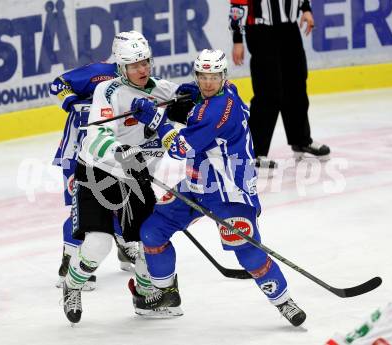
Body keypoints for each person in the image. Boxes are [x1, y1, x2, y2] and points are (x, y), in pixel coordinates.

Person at [128, 49, 307, 327]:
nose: (208, 83)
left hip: (230, 191)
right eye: (202, 77)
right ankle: (166, 292)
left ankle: (284, 301)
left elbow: (179, 148)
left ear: (223, 76)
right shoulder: (226, 90)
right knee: (152, 231)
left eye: (213, 77)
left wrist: (156, 120)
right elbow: (198, 104)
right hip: (198, 182)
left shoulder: (216, 111)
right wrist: (190, 93)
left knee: (246, 251)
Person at [61, 31, 188, 323]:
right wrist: (123, 153)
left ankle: (145, 297)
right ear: (120, 67)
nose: (142, 70)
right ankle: (72, 283)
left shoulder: (160, 90)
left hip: (135, 179)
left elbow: (192, 102)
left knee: (146, 241)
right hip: (98, 174)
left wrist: (208, 89)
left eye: (145, 62)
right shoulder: (106, 92)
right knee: (98, 244)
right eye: (134, 65)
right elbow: (96, 137)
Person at [50, 37, 139, 291]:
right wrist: (71, 102)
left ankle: (125, 247)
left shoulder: (136, 81)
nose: (137, 67)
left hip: (111, 152)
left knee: (122, 201)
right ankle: (70, 262)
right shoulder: (98, 73)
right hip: (79, 152)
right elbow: (59, 84)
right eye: (131, 61)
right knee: (80, 209)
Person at [229, 0, 330, 169]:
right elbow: (238, 4)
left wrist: (305, 9)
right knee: (267, 91)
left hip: (289, 28)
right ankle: (254, 152)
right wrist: (237, 39)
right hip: (261, 30)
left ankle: (301, 140)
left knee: (296, 85)